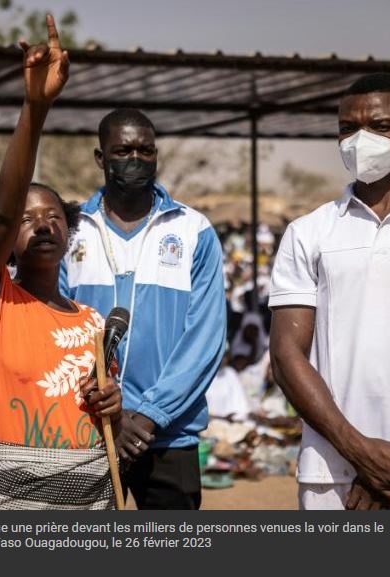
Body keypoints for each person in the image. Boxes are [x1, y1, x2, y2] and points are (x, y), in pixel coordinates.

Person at [0, 15, 123, 510]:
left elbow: (105, 414)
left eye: (53, 216)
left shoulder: (94, 322)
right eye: (27, 220)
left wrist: (112, 403)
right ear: (8, 239)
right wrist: (35, 108)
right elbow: (2, 208)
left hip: (92, 495)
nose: (42, 225)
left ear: (69, 231)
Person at [269, 72, 390, 510]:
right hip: (329, 473)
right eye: (347, 129)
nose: (361, 140)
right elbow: (286, 357)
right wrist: (358, 451)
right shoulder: (309, 232)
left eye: (379, 127)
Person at [60, 108, 226, 510]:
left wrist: (149, 415)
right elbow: (57, 332)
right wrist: (109, 415)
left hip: (168, 434)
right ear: (101, 158)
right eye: (123, 151)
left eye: (145, 151)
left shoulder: (193, 230)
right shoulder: (71, 228)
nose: (135, 160)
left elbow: (205, 340)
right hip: (88, 428)